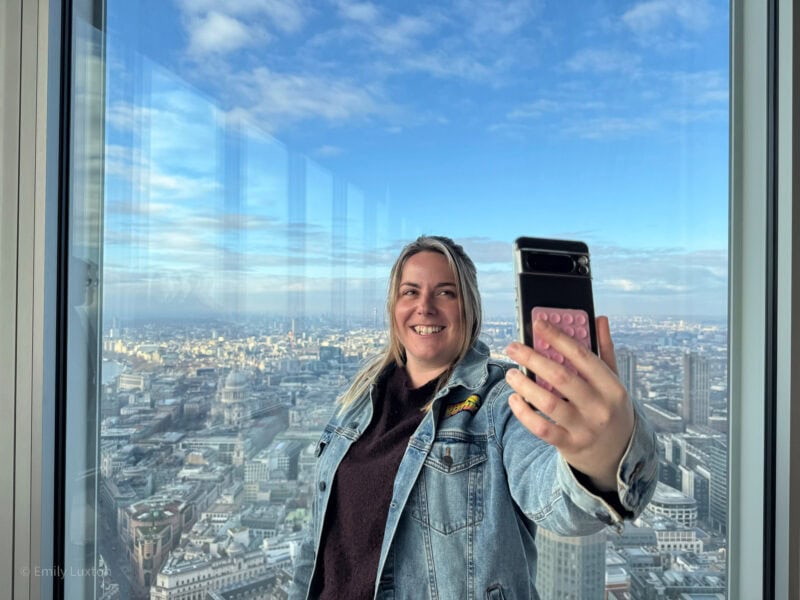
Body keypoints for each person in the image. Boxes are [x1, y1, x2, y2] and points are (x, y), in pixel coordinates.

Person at [289, 235, 657, 600]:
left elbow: (556, 499)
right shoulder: (356, 400)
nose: (425, 307)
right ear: (393, 307)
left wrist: (600, 462)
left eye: (446, 292)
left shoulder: (501, 401)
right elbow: (317, 542)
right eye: (410, 292)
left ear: (470, 307)